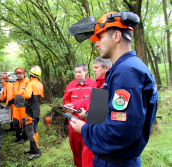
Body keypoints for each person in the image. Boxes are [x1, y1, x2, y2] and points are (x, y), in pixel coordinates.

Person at [68, 12, 158, 167]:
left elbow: (120, 131)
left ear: (117, 36)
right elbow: (116, 116)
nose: (96, 44)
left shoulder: (126, 73)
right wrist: (89, 115)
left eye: (100, 37)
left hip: (116, 162)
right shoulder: (126, 68)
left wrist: (84, 129)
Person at [63, 63, 96, 167]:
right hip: (73, 122)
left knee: (88, 148)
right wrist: (67, 106)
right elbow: (66, 100)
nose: (77, 74)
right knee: (76, 148)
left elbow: (95, 102)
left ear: (85, 72)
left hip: (88, 121)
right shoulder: (70, 85)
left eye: (80, 72)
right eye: (76, 72)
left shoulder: (94, 84)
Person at [21, 66, 44, 161]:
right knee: (35, 130)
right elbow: (41, 96)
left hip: (30, 110)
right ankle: (33, 147)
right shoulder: (40, 84)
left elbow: (27, 95)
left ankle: (36, 151)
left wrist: (24, 90)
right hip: (37, 110)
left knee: (29, 131)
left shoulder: (30, 83)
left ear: (31, 74)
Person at [11, 67, 29, 144]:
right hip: (16, 106)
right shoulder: (15, 83)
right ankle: (18, 136)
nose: (19, 75)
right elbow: (13, 94)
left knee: (25, 123)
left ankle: (24, 137)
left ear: (24, 73)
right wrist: (10, 101)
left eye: (20, 73)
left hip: (24, 106)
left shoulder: (28, 82)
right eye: (17, 74)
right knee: (15, 122)